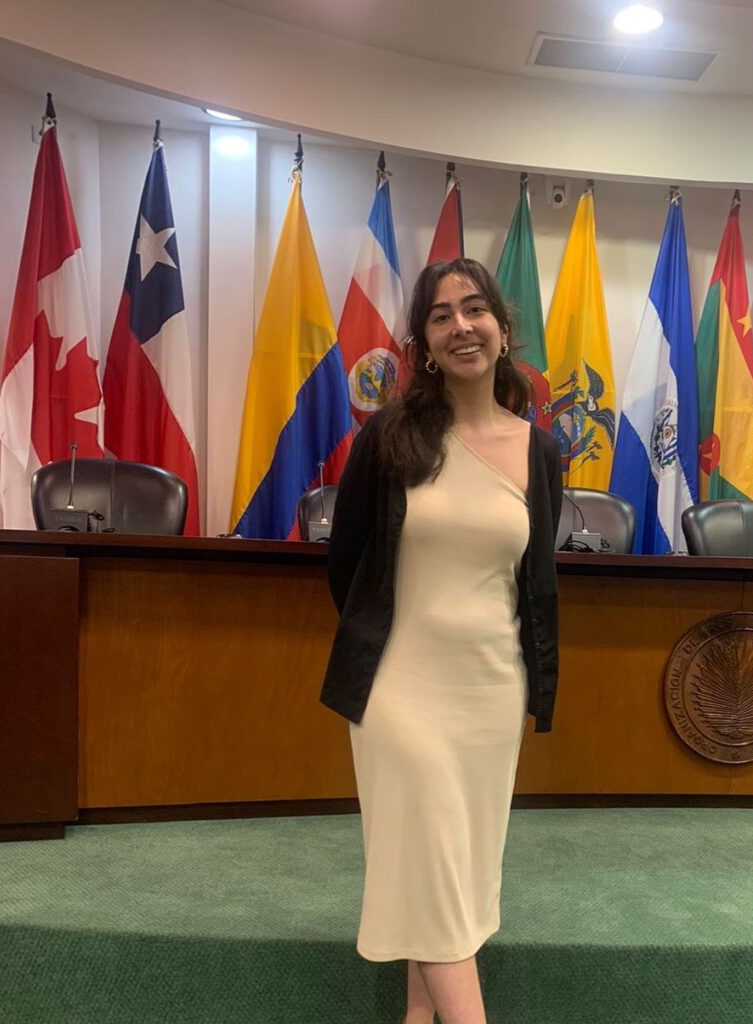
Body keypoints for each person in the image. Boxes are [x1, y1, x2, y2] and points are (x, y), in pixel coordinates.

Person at [320, 257, 563, 1024]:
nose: (461, 326)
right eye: (440, 315)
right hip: (399, 690)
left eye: (474, 310)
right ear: (423, 342)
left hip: (490, 693)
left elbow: (534, 581)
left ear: (501, 326)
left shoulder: (541, 450)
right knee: (433, 867)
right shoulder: (388, 439)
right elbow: (347, 566)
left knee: (449, 878)